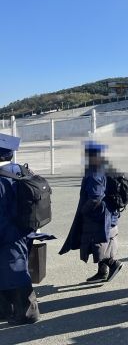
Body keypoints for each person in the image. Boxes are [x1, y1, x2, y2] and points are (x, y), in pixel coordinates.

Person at [59, 142, 123, 283]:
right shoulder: (106, 166)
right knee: (103, 242)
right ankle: (102, 271)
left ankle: (113, 264)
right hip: (108, 213)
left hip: (98, 215)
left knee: (97, 242)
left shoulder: (95, 172)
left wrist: (85, 210)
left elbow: (96, 196)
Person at [0, 134, 40, 325]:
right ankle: (7, 309)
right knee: (12, 269)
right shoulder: (21, 170)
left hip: (7, 233)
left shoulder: (1, 179)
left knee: (15, 271)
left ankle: (29, 312)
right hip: (24, 230)